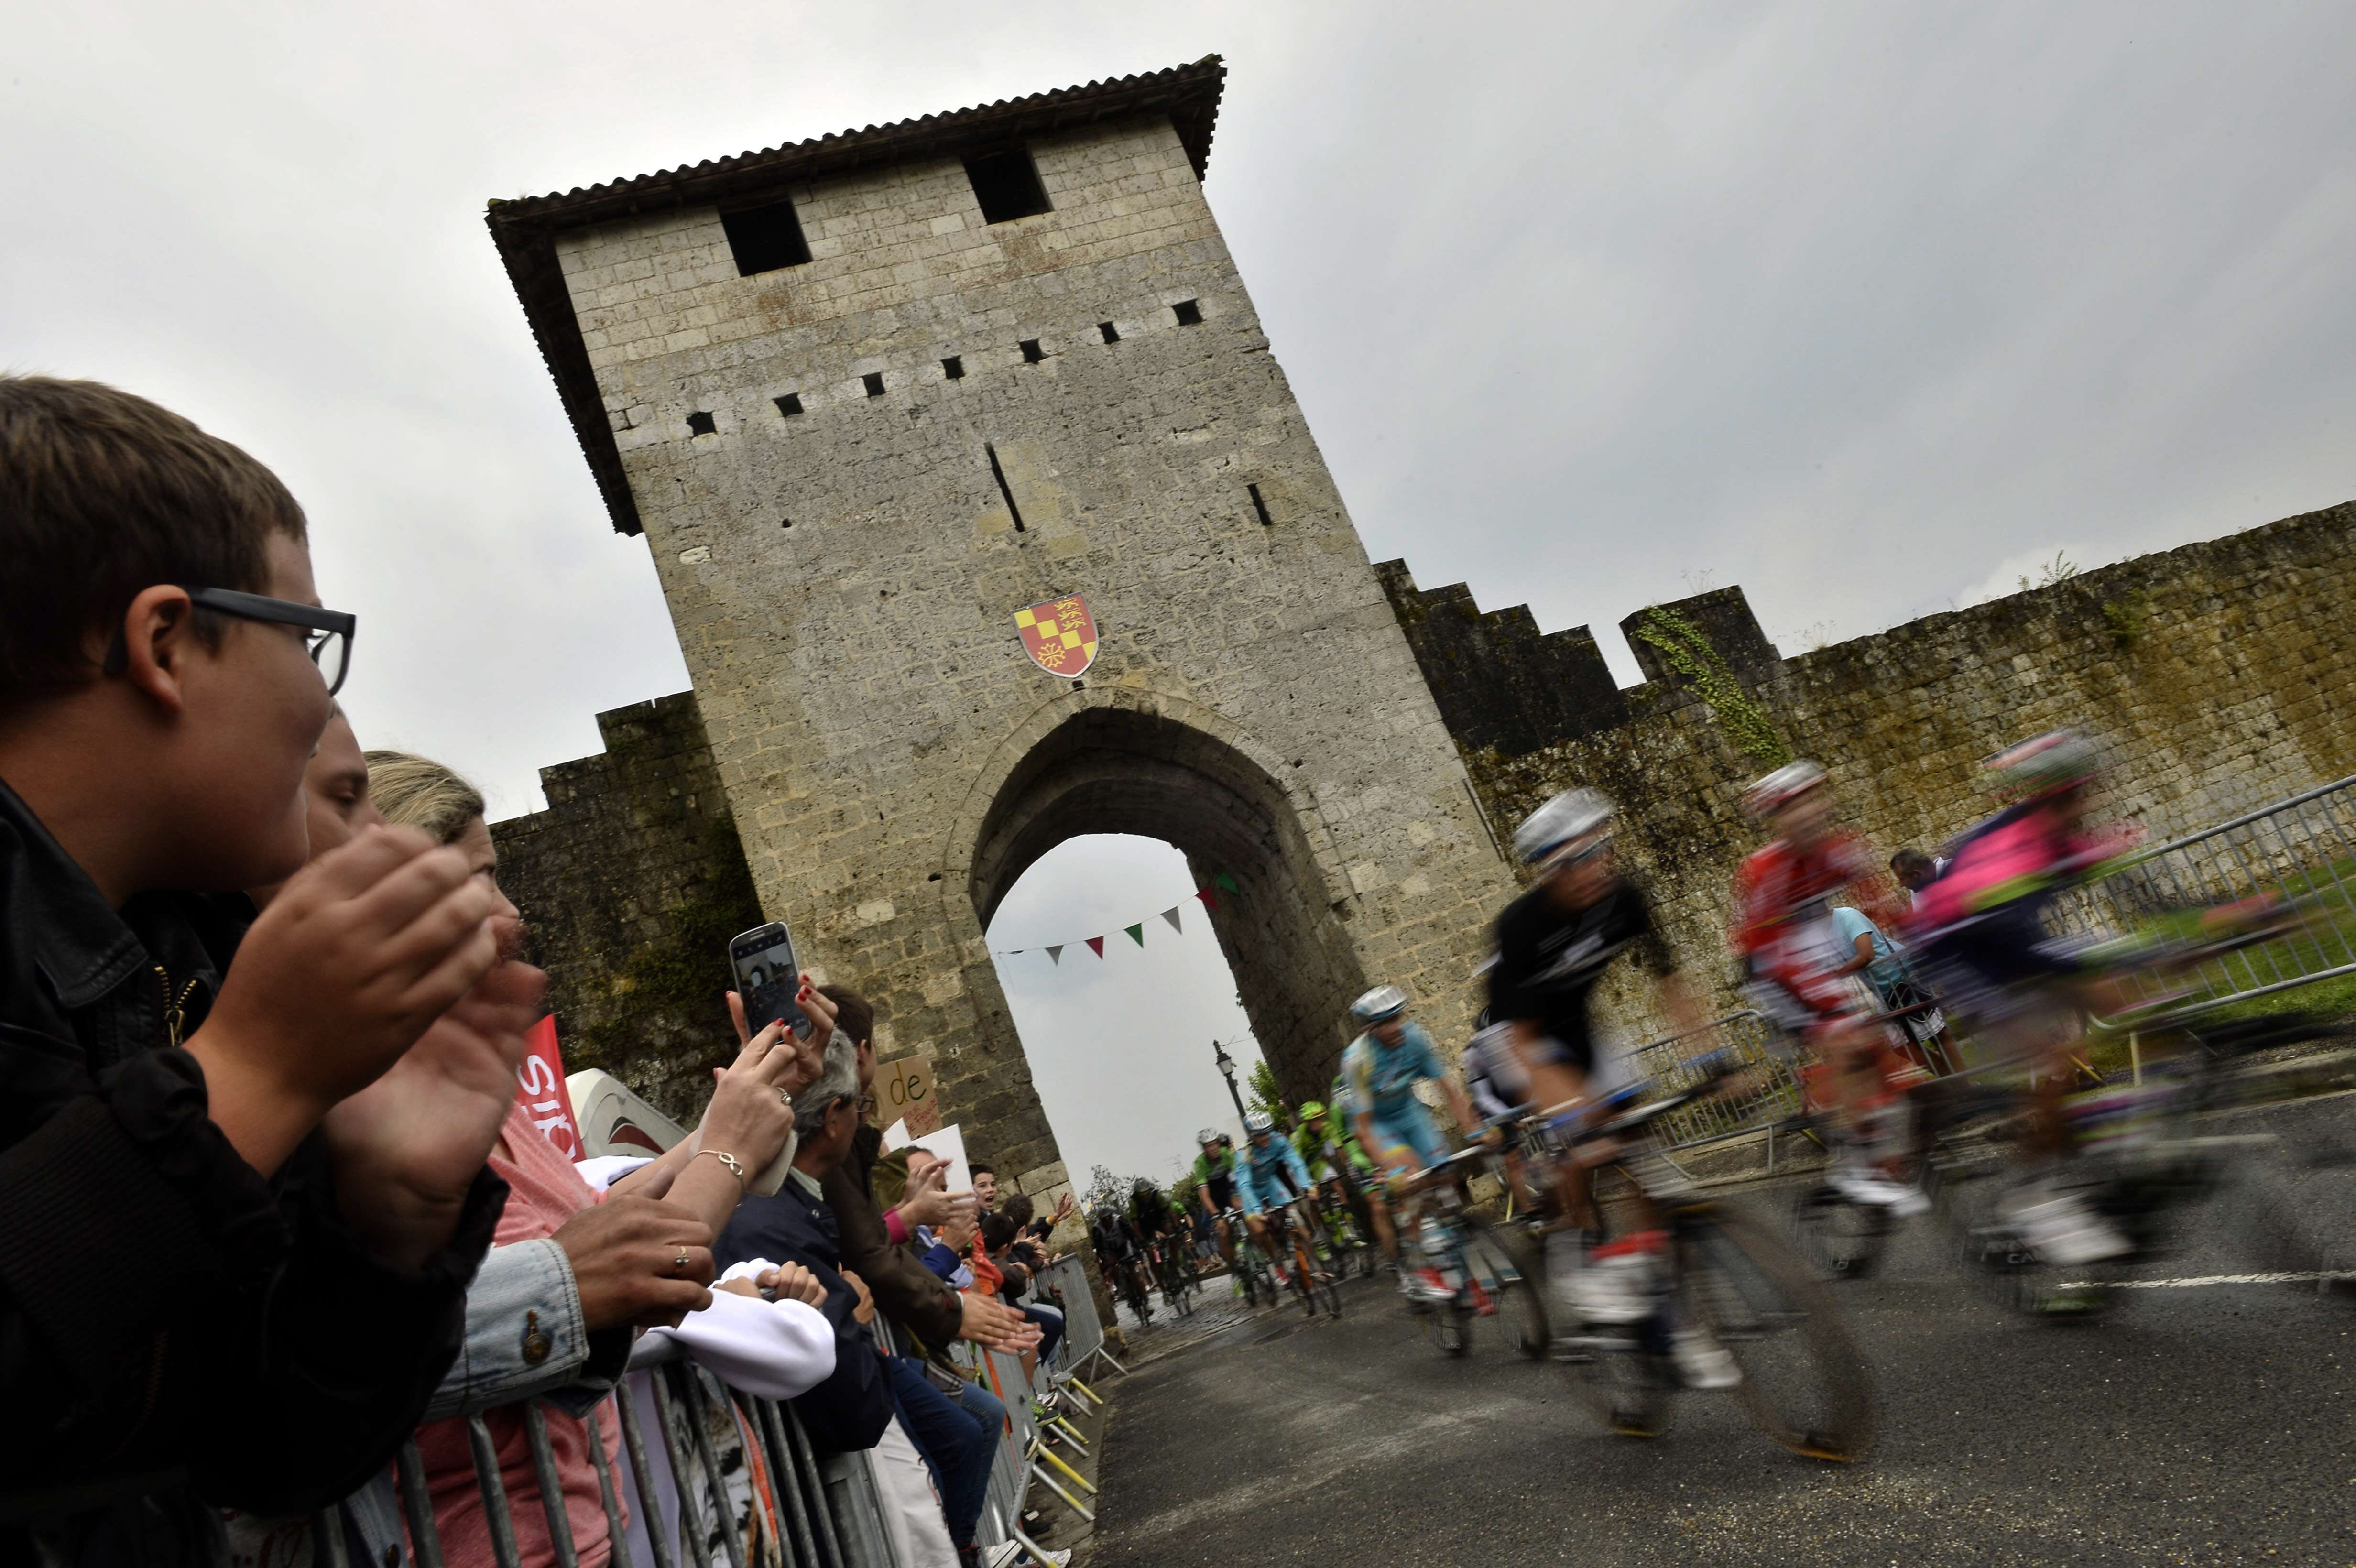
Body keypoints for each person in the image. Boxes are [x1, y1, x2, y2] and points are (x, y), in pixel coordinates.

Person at [0, 375, 540, 1561]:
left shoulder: (182, 955)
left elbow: (259, 1455)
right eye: (306, 639)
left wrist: (389, 1223)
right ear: (164, 643)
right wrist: (244, 1079)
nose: (317, 700)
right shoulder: (228, 1011)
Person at [370, 752, 814, 1568]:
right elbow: (607, 1282)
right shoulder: (384, 1114)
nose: (516, 914)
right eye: (484, 880)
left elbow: (590, 1235)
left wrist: (741, 1110)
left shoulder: (489, 1109)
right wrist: (727, 1150)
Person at [1491, 789, 1734, 1388]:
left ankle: (1674, 1317)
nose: (1601, 864)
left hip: (1586, 1030)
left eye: (1605, 848)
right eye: (1583, 856)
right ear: (1550, 868)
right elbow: (1523, 1046)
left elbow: (1670, 980)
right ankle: (1579, 1260)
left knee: (1641, 1149)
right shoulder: (1521, 926)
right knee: (1588, 1143)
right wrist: (1577, 1115)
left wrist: (1711, 1055)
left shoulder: (1623, 897)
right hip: (1523, 1041)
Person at [1910, 730, 2148, 1266]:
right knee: (2052, 1056)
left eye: (2083, 793)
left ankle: (2124, 1130)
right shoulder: (2002, 850)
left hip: (2010, 942)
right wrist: (2107, 960)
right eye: (2071, 796)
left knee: (2134, 999)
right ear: (2046, 797)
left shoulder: (2059, 836)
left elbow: (2144, 899)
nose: (2083, 805)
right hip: (1960, 954)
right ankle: (2032, 1196)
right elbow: (2022, 950)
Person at [1733, 762, 1926, 1215]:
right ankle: (1853, 1165)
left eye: (1813, 801)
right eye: (1792, 808)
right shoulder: (1764, 869)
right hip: (1771, 966)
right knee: (1849, 1039)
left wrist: (1935, 939)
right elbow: (1761, 948)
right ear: (1778, 820)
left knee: (1883, 1058)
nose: (1807, 814)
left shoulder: (1841, 848)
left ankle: (1867, 1131)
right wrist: (1825, 1011)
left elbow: (1881, 906)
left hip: (1815, 955)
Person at [1338, 986, 1479, 1299]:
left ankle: (1451, 1250)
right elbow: (1362, 1129)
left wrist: (1475, 1131)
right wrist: (1390, 1168)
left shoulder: (1416, 1038)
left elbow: (1450, 1090)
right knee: (1411, 1179)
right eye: (1387, 1022)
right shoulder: (1357, 1061)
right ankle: (1418, 1267)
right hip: (1378, 1124)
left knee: (1444, 1174)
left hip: (1410, 1113)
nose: (1397, 1026)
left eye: (1399, 1017)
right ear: (1371, 1030)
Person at [1231, 1109, 1324, 1292]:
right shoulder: (1244, 1154)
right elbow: (1244, 1186)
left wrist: (1308, 1186)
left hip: (1271, 1183)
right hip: (1251, 1192)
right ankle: (1278, 1265)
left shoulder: (1279, 1140)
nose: (1266, 1138)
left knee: (1295, 1215)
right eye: (1260, 1135)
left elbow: (1296, 1163)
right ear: (1252, 1135)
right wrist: (1257, 1210)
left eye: (1268, 1132)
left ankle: (1314, 1265)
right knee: (1260, 1230)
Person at [1290, 1098, 1394, 1261]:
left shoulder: (1328, 1128)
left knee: (1336, 1184)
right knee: (1313, 1197)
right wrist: (1308, 1185)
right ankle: (1319, 1235)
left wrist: (1348, 1167)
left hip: (1317, 1164)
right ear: (1307, 1122)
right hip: (1300, 1168)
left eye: (1321, 1119)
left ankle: (1348, 1220)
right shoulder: (1299, 1135)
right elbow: (1295, 1163)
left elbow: (1339, 1149)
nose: (1319, 1123)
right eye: (1314, 1121)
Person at [1189, 1129, 1243, 1271]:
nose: (1213, 1148)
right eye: (1208, 1146)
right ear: (1203, 1149)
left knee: (1244, 1210)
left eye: (1215, 1144)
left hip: (1229, 1191)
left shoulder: (1227, 1154)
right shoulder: (1200, 1163)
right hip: (1214, 1198)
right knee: (1223, 1232)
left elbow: (1240, 1178)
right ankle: (1234, 1269)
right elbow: (1205, 1196)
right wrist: (1216, 1215)